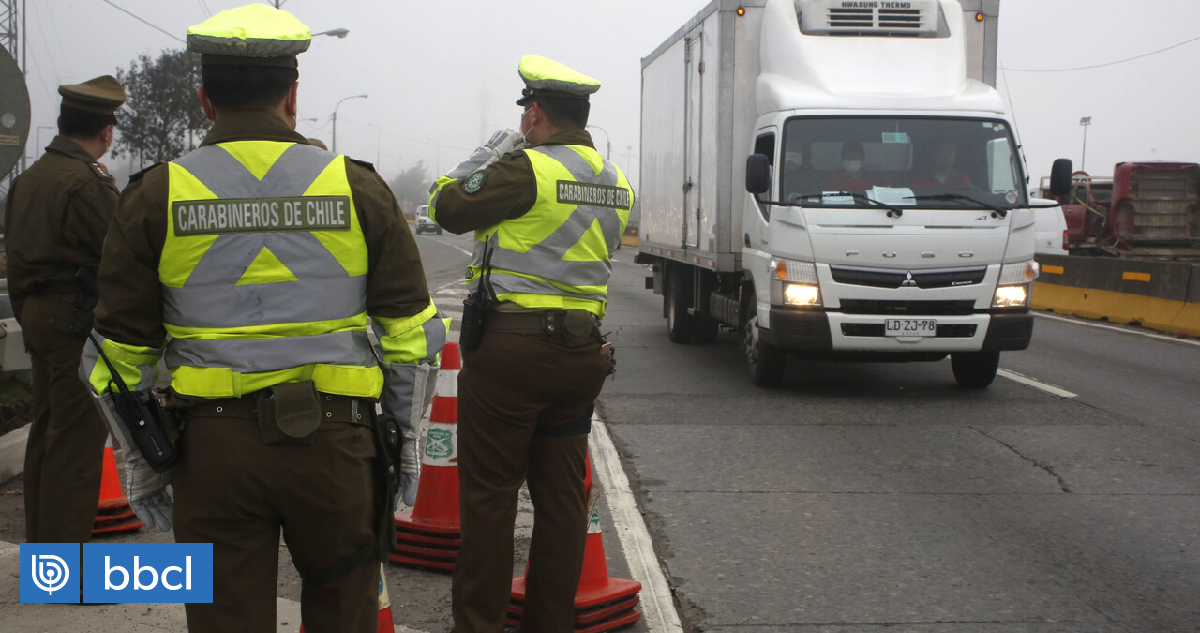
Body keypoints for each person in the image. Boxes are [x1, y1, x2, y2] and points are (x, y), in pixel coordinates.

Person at [81, 5, 446, 632]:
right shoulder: (357, 189)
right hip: (339, 450)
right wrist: (407, 443)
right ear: (293, 96)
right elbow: (412, 338)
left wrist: (138, 461)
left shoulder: (157, 193)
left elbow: (116, 356)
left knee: (225, 618)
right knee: (345, 612)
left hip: (212, 456)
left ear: (204, 99)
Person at [428, 55, 634, 633]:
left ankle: (478, 626)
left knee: (490, 498)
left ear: (535, 112)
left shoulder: (527, 169)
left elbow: (447, 208)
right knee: (563, 503)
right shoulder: (615, 179)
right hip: (582, 357)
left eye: (527, 112)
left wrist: (483, 158)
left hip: (513, 356)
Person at [4, 75, 125, 544]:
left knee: (48, 431)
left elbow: (15, 261)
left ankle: (44, 550)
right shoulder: (86, 184)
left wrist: (32, 315)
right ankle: (64, 568)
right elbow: (121, 258)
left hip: (39, 317)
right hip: (74, 321)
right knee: (76, 443)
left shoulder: (31, 179)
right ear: (106, 130)